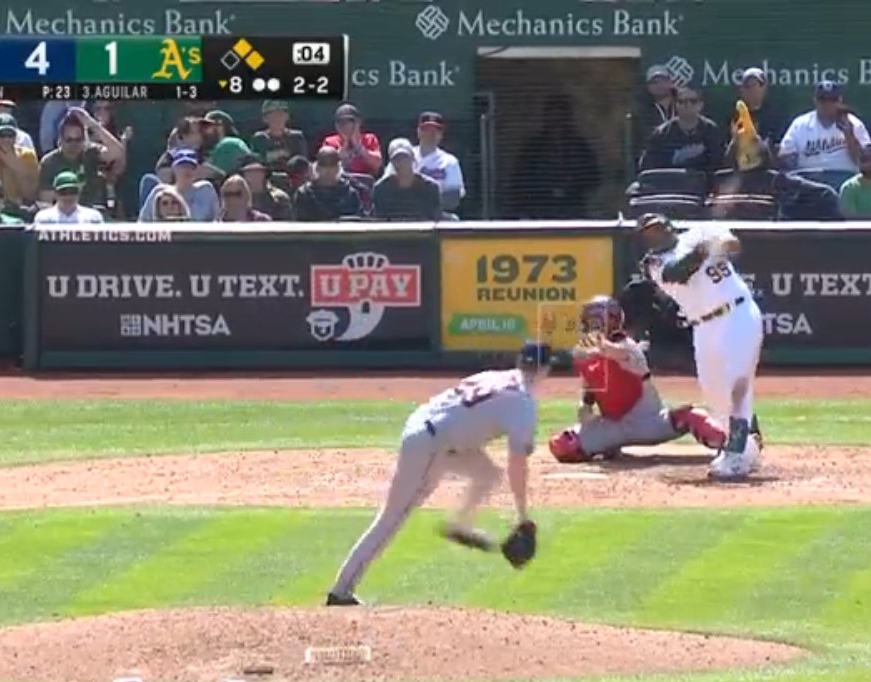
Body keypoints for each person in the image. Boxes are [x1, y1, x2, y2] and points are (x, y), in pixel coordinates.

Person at [326, 342, 554, 606]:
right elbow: (518, 463)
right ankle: (340, 591)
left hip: (430, 429)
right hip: (430, 444)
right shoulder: (522, 403)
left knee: (487, 474)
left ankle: (460, 524)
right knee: (392, 518)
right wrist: (522, 515)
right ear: (545, 370)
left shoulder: (494, 376)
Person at [636, 213, 763, 481]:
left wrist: (720, 240)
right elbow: (679, 272)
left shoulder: (700, 231)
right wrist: (706, 248)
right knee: (714, 391)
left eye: (658, 227)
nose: (655, 233)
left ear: (670, 226)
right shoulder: (655, 264)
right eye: (649, 232)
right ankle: (747, 446)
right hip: (703, 325)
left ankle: (737, 453)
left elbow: (733, 244)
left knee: (737, 384)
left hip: (738, 314)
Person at [547, 295, 731, 463]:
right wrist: (586, 413)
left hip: (648, 422)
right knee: (563, 446)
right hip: (612, 426)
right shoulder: (585, 357)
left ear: (615, 321)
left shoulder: (628, 346)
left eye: (600, 320)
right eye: (591, 320)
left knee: (694, 417)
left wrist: (600, 345)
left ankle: (732, 445)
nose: (595, 325)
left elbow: (616, 353)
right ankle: (609, 446)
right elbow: (589, 392)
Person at [37, 107, 125, 209]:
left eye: (78, 140)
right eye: (69, 140)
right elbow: (46, 202)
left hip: (93, 212)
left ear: (84, 140)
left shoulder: (91, 153)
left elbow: (118, 152)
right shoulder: (49, 162)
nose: (73, 144)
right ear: (60, 140)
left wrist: (91, 123)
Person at [381, 112, 465, 215]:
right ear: (418, 132)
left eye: (436, 130)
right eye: (426, 129)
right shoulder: (402, 155)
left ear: (441, 135)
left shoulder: (449, 161)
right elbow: (385, 187)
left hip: (436, 215)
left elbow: (452, 200)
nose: (431, 134)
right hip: (401, 211)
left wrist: (423, 202)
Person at [778, 82, 871, 173]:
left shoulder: (854, 123)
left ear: (840, 100)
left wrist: (849, 136)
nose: (827, 104)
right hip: (808, 179)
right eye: (822, 99)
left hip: (844, 177)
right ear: (815, 100)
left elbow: (865, 162)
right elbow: (785, 157)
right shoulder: (800, 124)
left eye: (832, 99)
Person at [639, 83, 727, 173]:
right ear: (675, 105)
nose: (687, 105)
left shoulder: (711, 130)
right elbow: (648, 168)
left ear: (701, 105)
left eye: (693, 101)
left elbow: (720, 166)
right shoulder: (661, 134)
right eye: (682, 101)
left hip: (703, 185)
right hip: (670, 185)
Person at [372, 139, 442, 221]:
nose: (401, 162)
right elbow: (379, 222)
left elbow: (435, 220)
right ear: (391, 162)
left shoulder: (430, 187)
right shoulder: (380, 189)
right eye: (397, 159)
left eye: (405, 157)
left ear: (413, 158)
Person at [139, 149, 218, 221]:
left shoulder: (206, 190)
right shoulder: (160, 191)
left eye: (191, 167)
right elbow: (143, 221)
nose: (187, 170)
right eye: (182, 166)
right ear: (174, 169)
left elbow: (216, 219)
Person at [293, 146, 363, 221]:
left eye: (332, 166)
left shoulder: (351, 195)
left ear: (338, 167)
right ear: (317, 167)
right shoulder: (304, 194)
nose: (328, 171)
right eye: (324, 166)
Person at [322, 104, 383, 176]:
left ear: (358, 123)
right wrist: (344, 146)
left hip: (365, 182)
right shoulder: (330, 142)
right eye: (340, 122)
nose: (345, 125)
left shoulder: (369, 139)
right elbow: (325, 167)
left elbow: (377, 164)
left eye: (349, 121)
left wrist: (357, 146)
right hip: (339, 181)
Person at [250, 100, 307, 173]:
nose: (277, 118)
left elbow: (303, 164)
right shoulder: (259, 139)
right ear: (265, 119)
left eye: (280, 114)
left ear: (287, 116)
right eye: (273, 115)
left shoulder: (296, 137)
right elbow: (255, 165)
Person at [736, 68, 784, 149]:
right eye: (747, 86)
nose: (751, 90)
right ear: (742, 90)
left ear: (764, 88)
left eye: (755, 85)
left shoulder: (775, 118)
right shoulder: (734, 118)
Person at [634, 65, 676, 151]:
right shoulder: (642, 109)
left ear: (670, 82)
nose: (659, 85)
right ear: (648, 87)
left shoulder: (683, 102)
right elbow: (646, 135)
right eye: (654, 82)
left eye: (662, 81)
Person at [33, 172, 103, 224]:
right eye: (63, 192)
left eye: (72, 191)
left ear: (79, 193)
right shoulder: (43, 218)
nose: (68, 197)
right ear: (55, 194)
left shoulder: (93, 217)